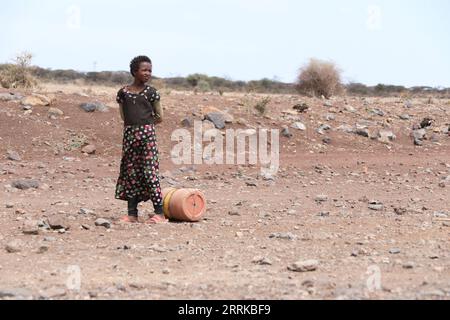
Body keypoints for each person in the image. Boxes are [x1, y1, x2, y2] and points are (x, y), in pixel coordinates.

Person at [115, 55, 166, 224]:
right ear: (134, 71)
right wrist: (135, 128)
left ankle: (159, 213)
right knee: (131, 173)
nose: (148, 73)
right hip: (129, 137)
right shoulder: (123, 93)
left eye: (150, 70)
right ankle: (132, 214)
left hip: (147, 137)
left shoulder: (152, 93)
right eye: (144, 70)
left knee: (150, 172)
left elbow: (159, 116)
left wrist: (145, 127)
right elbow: (124, 115)